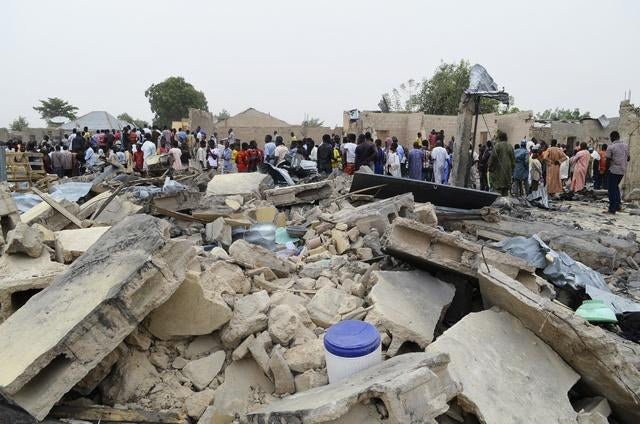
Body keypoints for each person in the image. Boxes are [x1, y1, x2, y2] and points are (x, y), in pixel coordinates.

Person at [605, 131, 630, 214]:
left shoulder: (611, 147)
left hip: (613, 170)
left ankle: (612, 209)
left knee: (611, 190)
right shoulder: (626, 146)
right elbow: (628, 158)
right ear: (618, 137)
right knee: (615, 188)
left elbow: (607, 160)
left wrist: (606, 170)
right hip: (622, 171)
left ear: (612, 137)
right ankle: (618, 206)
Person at [488, 131, 515, 196]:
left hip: (497, 174)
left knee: (497, 193)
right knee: (505, 192)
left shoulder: (497, 146)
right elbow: (513, 161)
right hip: (507, 174)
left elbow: (492, 159)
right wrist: (512, 171)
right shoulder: (510, 146)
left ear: (499, 138)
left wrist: (490, 168)